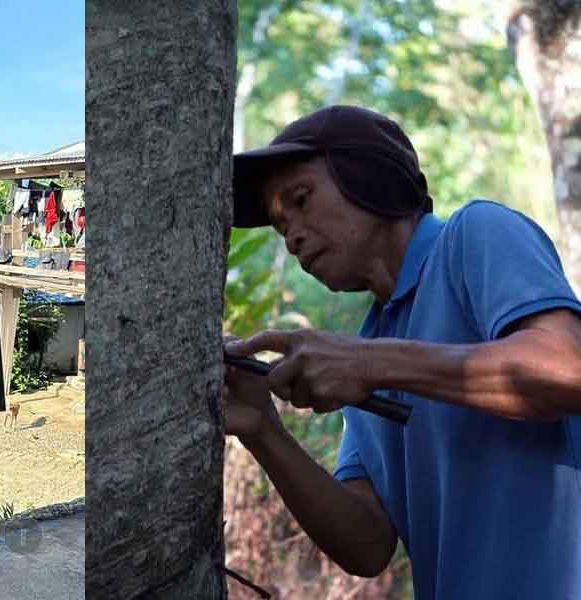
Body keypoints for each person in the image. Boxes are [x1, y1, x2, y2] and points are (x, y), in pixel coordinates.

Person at [223, 105, 581, 599]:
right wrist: (264, 429)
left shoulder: (475, 235)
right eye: (282, 228)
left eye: (301, 200)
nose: (293, 238)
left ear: (369, 176)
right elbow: (367, 544)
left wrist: (368, 365)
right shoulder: (369, 343)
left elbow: (568, 369)